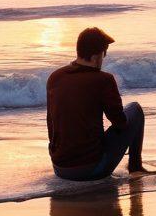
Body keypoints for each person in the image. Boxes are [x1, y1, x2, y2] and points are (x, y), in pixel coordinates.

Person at [46, 26, 146, 181]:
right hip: (91, 169)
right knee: (135, 110)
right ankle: (135, 166)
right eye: (103, 54)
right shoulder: (103, 80)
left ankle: (132, 165)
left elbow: (50, 124)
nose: (103, 59)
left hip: (60, 167)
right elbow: (119, 122)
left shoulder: (55, 77)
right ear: (95, 56)